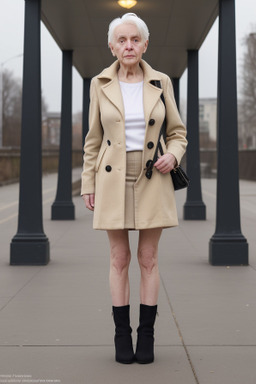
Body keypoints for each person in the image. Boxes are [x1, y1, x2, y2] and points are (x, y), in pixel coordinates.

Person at [81, 13, 187, 364]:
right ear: (111, 46)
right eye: (122, 40)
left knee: (148, 258)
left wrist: (172, 156)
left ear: (145, 44)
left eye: (135, 39)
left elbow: (178, 133)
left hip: (152, 175)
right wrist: (87, 183)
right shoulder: (99, 83)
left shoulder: (160, 83)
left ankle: (147, 336)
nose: (129, 46)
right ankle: (121, 335)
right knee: (119, 258)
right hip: (111, 176)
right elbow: (93, 140)